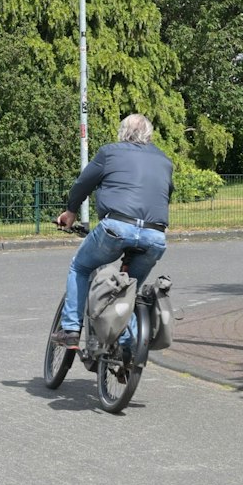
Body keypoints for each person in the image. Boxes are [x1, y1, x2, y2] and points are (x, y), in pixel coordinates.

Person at [53, 113, 173, 348]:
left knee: (81, 266)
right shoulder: (164, 160)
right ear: (148, 135)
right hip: (155, 235)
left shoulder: (110, 152)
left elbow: (83, 184)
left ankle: (70, 330)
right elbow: (165, 195)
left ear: (122, 132)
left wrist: (71, 212)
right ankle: (128, 351)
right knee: (130, 290)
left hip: (116, 228)